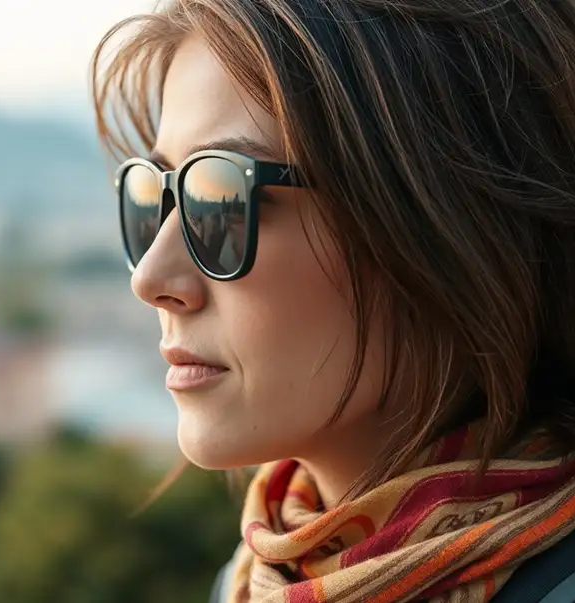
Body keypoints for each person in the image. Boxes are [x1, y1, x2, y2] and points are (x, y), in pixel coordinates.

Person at [91, 1, 575, 601]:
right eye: (153, 197)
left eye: (218, 201)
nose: (152, 278)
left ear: (433, 220)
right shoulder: (251, 579)